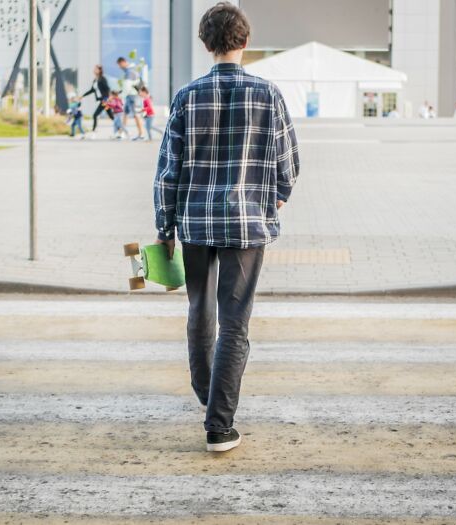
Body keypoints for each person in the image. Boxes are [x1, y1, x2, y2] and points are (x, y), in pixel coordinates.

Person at [153, 1, 299, 453]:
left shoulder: (187, 96)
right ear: (246, 41)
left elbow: (168, 170)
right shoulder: (268, 94)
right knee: (234, 323)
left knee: (200, 311)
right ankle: (219, 425)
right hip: (246, 225)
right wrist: (275, 197)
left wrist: (164, 227)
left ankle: (207, 393)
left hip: (195, 223)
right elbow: (288, 162)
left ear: (205, 43)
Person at [117, 56, 145, 141]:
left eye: (119, 65)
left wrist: (121, 96)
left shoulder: (129, 72)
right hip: (130, 95)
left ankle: (141, 134)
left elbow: (127, 86)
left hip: (133, 96)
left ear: (123, 62)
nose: (119, 67)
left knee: (136, 115)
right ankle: (122, 133)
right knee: (125, 114)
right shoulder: (132, 70)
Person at [82, 65, 114, 133]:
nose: (94, 70)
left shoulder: (102, 79)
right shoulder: (95, 80)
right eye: (94, 69)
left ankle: (93, 131)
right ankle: (121, 129)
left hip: (105, 100)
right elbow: (92, 90)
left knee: (95, 115)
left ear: (100, 70)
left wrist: (109, 97)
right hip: (102, 100)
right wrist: (82, 96)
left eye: (96, 69)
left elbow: (107, 88)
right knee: (111, 116)